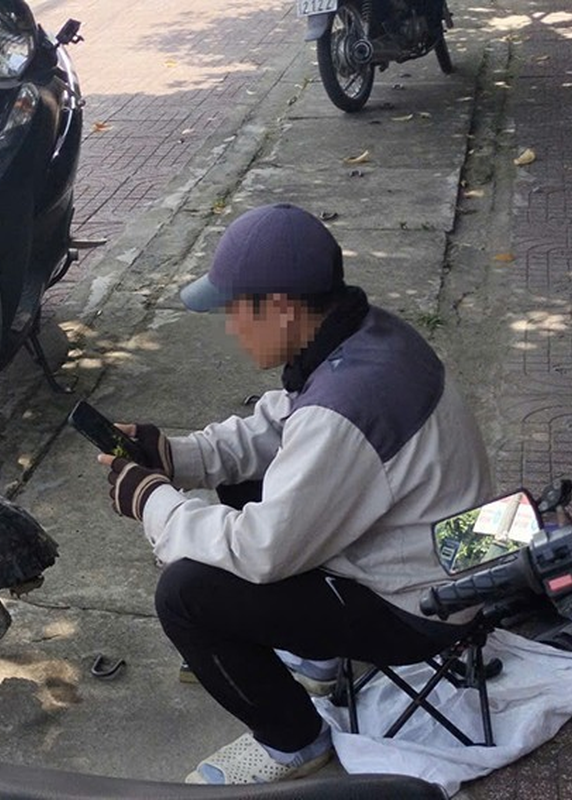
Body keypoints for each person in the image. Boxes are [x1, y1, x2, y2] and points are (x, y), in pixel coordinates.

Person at [95, 203, 493, 785]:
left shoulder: (342, 410)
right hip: (455, 550)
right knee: (243, 481)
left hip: (426, 604)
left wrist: (154, 501)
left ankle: (294, 743)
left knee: (185, 594)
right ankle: (318, 654)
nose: (231, 326)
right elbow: (282, 425)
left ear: (280, 308)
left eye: (236, 310)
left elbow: (262, 550)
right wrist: (175, 457)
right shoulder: (367, 336)